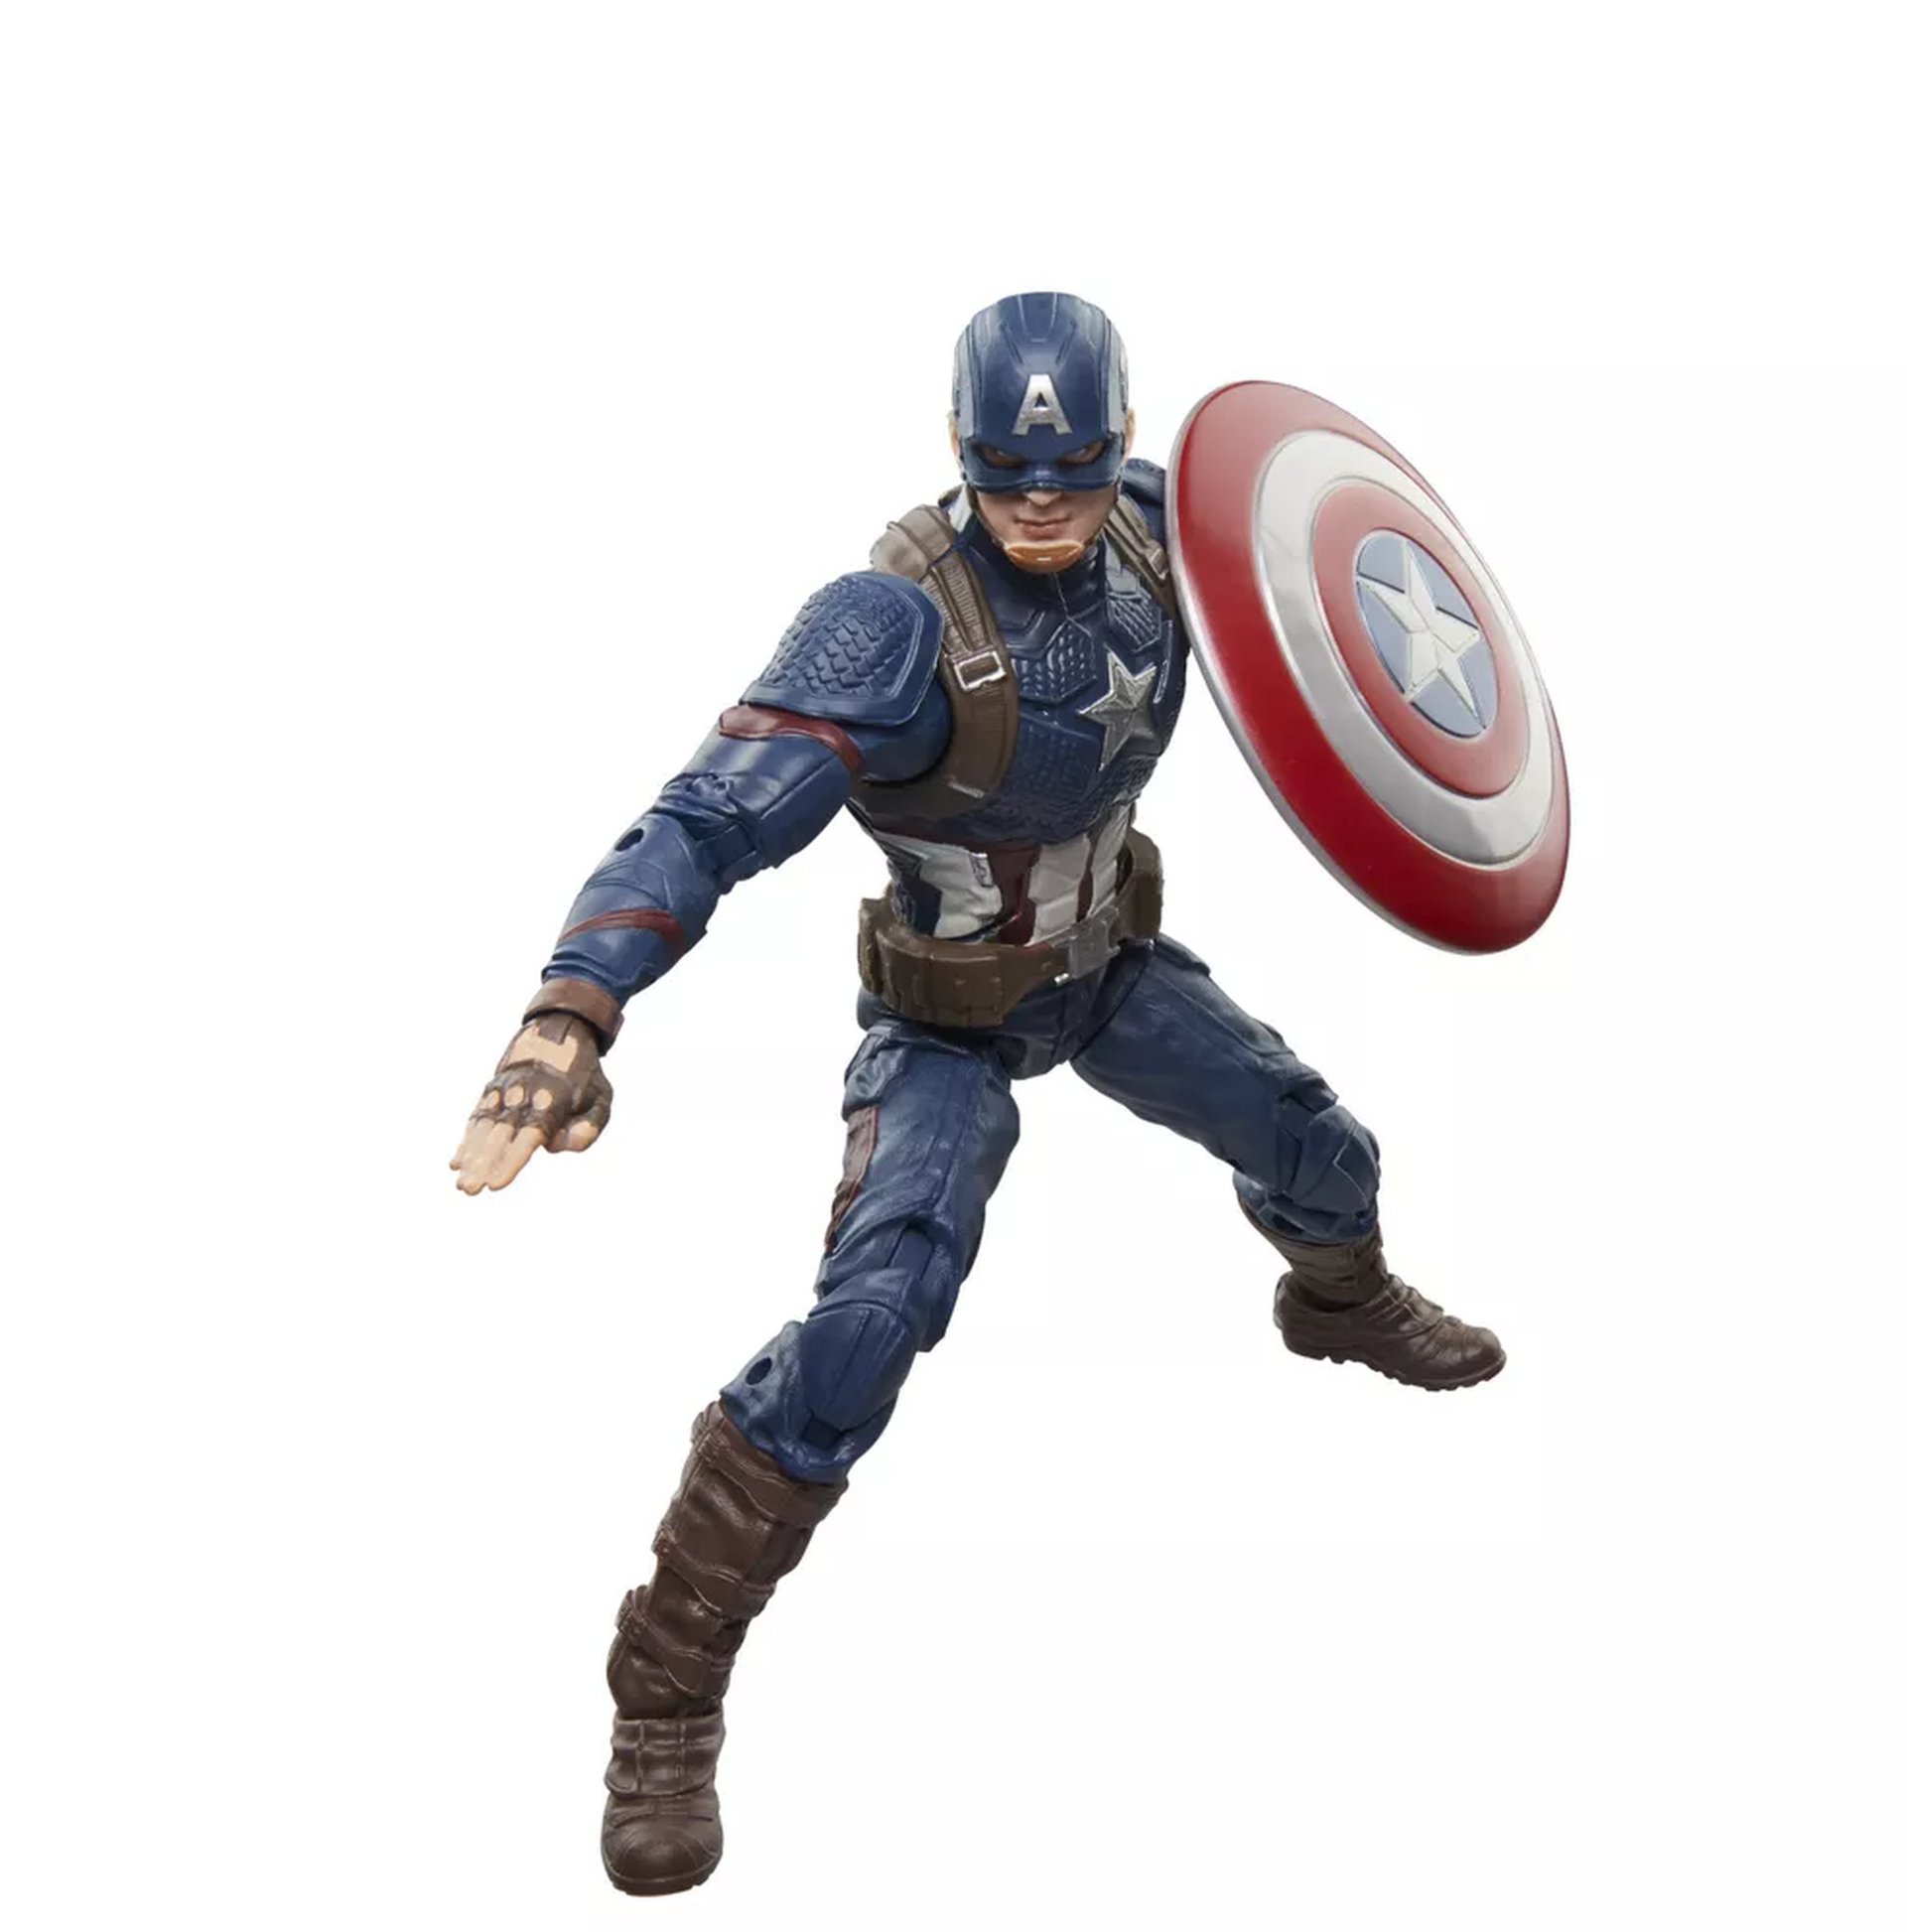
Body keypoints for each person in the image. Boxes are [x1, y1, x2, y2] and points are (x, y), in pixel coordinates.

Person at [451, 291, 1505, 1896]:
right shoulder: (888, 623)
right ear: (959, 448)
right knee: (869, 1320)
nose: (1042, 505)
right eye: (1010, 474)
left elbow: (1355, 607)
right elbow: (705, 818)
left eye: (1071, 472)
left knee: (1325, 1151)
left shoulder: (1168, 533)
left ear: (1119, 445)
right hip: (944, 1019)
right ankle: (665, 1689)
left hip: (1111, 971)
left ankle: (1335, 1304)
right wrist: (569, 1009)